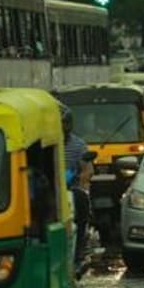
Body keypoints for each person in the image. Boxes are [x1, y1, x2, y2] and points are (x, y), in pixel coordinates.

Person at [62, 105, 94, 267]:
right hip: (49, 189)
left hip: (71, 189)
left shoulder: (78, 144)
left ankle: (79, 249)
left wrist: (81, 178)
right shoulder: (44, 143)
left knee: (81, 202)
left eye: (65, 123)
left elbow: (87, 169)